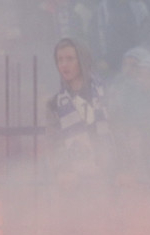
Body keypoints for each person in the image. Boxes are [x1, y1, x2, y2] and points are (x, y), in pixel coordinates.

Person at [46, 37, 114, 179]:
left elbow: (120, 131)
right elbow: (55, 143)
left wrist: (124, 169)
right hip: (75, 180)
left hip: (110, 174)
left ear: (82, 60)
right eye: (60, 60)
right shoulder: (54, 104)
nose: (64, 65)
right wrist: (62, 171)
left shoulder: (106, 94)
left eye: (70, 59)